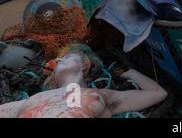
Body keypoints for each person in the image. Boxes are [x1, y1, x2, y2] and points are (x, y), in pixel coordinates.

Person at [0, 45, 168, 118]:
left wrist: (126, 71)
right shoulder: (34, 99)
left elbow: (157, 93)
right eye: (58, 59)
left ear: (84, 65)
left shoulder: (100, 95)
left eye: (67, 57)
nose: (58, 60)